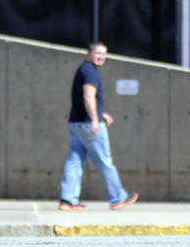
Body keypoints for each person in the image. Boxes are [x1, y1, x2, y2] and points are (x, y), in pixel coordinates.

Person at [58, 41, 139, 211]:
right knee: (104, 161)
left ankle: (67, 201)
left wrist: (101, 113)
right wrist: (95, 119)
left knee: (74, 161)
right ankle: (118, 197)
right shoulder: (91, 72)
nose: (101, 57)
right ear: (89, 53)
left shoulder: (84, 69)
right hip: (89, 125)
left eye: (104, 54)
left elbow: (84, 99)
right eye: (98, 53)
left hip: (76, 123)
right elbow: (88, 96)